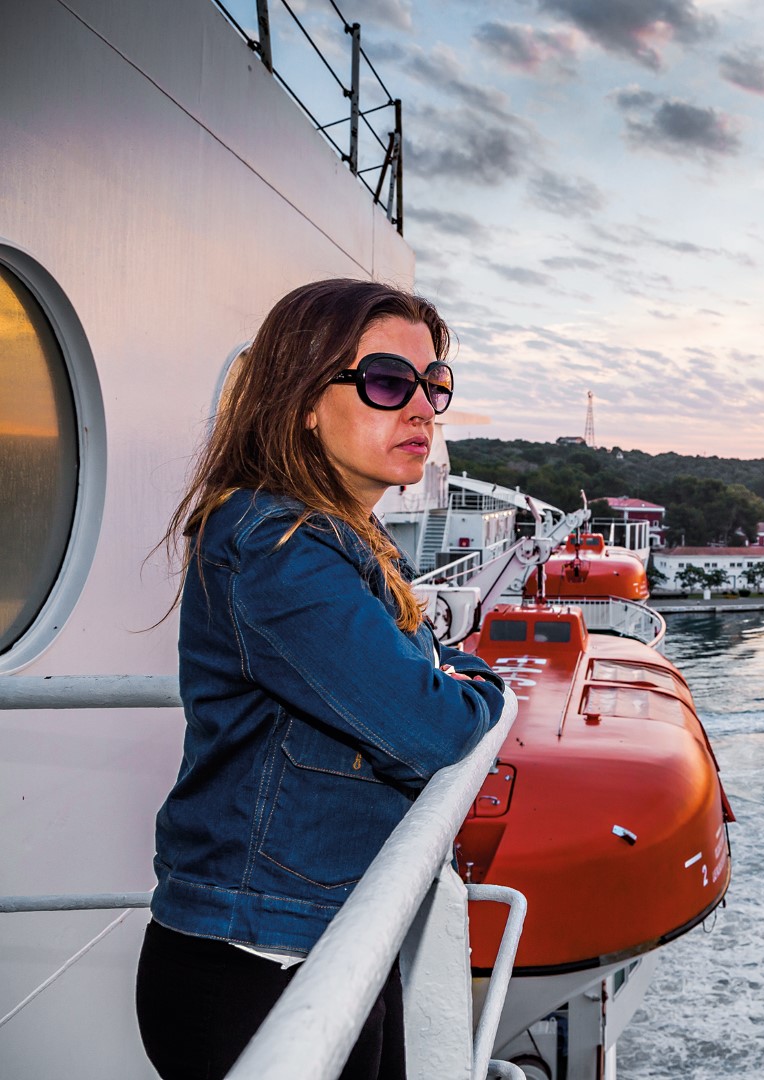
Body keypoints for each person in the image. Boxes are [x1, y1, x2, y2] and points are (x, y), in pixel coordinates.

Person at [136, 279, 507, 1080]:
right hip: (251, 963)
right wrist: (481, 690)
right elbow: (435, 723)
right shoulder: (273, 545)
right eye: (386, 381)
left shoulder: (348, 536)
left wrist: (453, 677)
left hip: (327, 935)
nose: (422, 410)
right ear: (304, 399)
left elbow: (434, 671)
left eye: (433, 385)